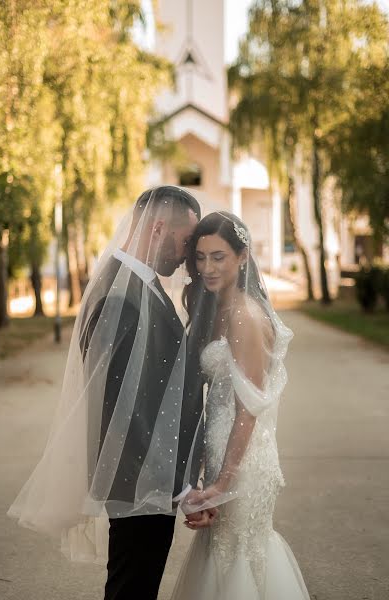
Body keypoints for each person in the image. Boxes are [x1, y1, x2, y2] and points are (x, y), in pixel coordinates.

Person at [8, 186, 215, 600]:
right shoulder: (121, 296)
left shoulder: (137, 284)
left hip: (149, 481)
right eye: (186, 240)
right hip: (142, 482)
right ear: (158, 229)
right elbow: (122, 410)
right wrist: (178, 486)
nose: (188, 253)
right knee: (130, 589)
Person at [172, 211, 310, 600]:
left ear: (242, 256)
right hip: (222, 449)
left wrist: (221, 483)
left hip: (244, 460)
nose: (207, 267)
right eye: (199, 257)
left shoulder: (244, 316)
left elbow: (248, 408)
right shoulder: (217, 308)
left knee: (242, 555)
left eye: (218, 256)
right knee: (222, 554)